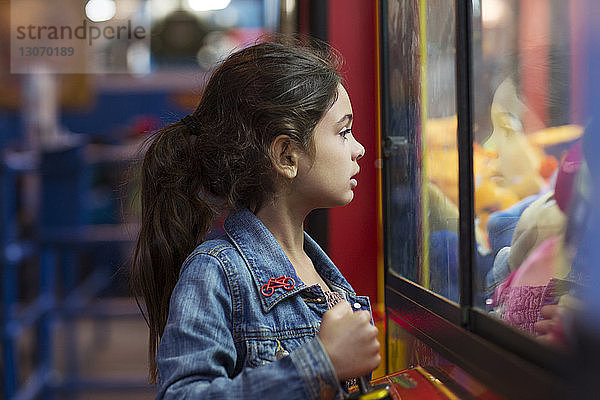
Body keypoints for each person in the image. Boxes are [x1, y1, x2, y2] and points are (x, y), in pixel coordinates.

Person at [130, 39, 379, 399]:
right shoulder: (215, 272)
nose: (359, 148)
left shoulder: (322, 273)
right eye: (343, 132)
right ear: (286, 155)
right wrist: (320, 363)